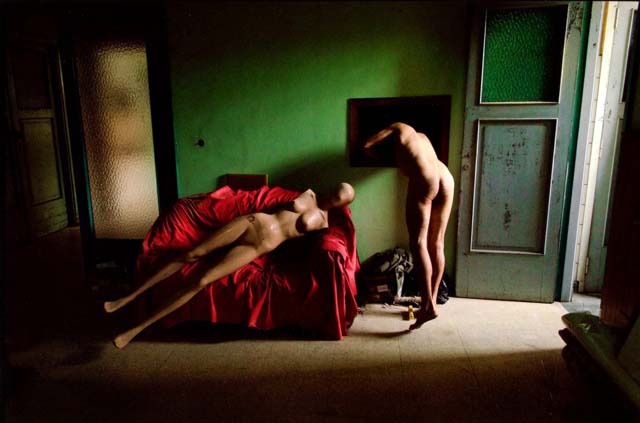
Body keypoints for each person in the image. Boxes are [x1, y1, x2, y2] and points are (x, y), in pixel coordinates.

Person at [105, 182, 356, 348]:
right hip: (252, 222)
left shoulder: (324, 223)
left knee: (202, 280)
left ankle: (136, 329)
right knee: (192, 254)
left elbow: (321, 246)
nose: (335, 197)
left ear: (342, 204)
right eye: (337, 191)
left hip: (259, 247)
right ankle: (127, 298)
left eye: (340, 198)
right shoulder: (308, 194)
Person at [363, 122, 454, 330]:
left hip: (426, 177)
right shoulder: (421, 137)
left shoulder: (397, 127)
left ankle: (428, 306)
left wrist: (378, 157)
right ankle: (431, 302)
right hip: (445, 176)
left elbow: (367, 145)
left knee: (418, 242)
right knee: (437, 243)